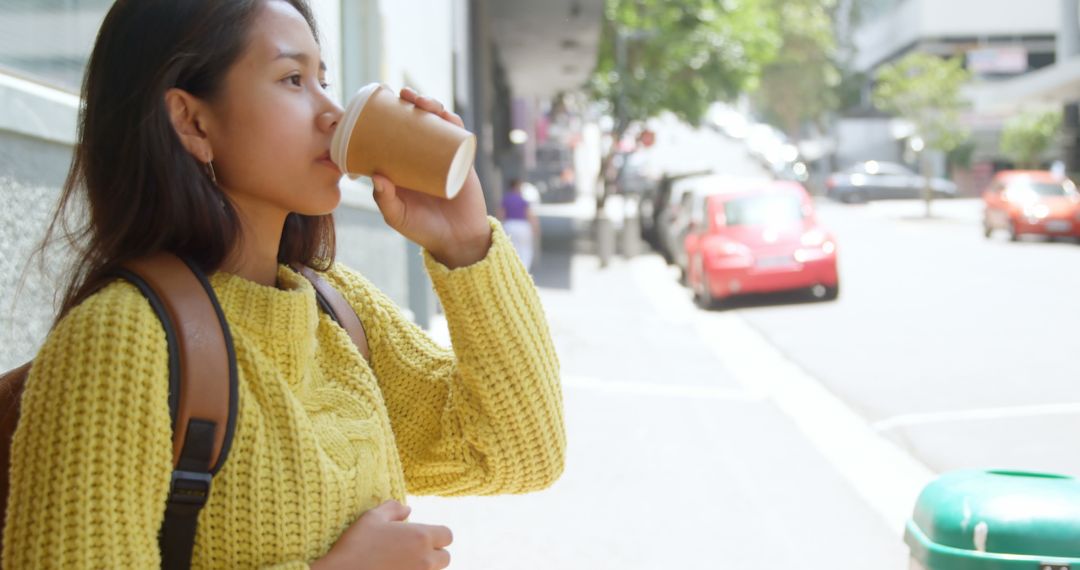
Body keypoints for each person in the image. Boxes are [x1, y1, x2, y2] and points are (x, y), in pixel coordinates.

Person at [3, 1, 565, 568]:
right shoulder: (116, 342)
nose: (333, 114)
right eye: (293, 79)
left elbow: (520, 451)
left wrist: (465, 243)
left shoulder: (335, 309)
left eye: (325, 80)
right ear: (192, 121)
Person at [497, 178, 541, 271]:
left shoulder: (506, 199)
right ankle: (523, 271)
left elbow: (501, 215)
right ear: (516, 186)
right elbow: (530, 215)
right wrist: (536, 228)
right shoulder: (523, 201)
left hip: (509, 225)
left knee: (511, 250)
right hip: (523, 226)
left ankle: (513, 271)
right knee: (525, 250)